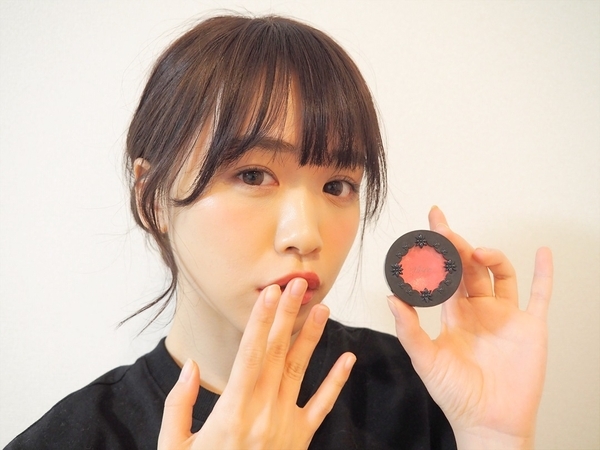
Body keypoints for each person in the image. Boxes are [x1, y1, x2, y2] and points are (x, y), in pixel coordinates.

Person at [6, 14, 553, 450]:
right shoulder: (71, 438)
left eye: (337, 185)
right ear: (152, 198)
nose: (305, 235)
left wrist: (493, 437)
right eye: (252, 175)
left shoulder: (422, 393)